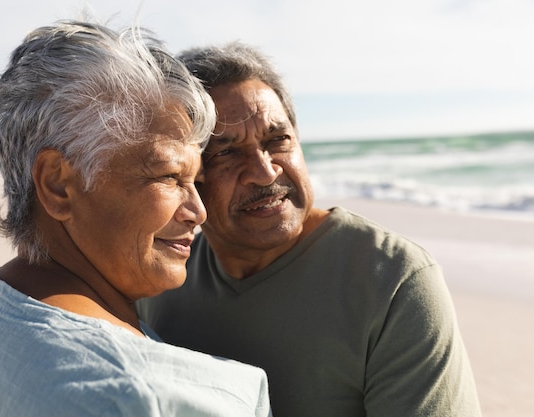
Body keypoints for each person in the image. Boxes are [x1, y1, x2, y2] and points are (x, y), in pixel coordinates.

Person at [137, 42, 482, 417]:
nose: (265, 171)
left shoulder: (393, 280)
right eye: (226, 152)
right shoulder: (163, 280)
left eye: (277, 140)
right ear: (187, 172)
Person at [0, 22, 272, 417]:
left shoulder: (5, 304)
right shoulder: (140, 396)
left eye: (196, 181)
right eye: (169, 177)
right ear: (58, 185)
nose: (198, 211)